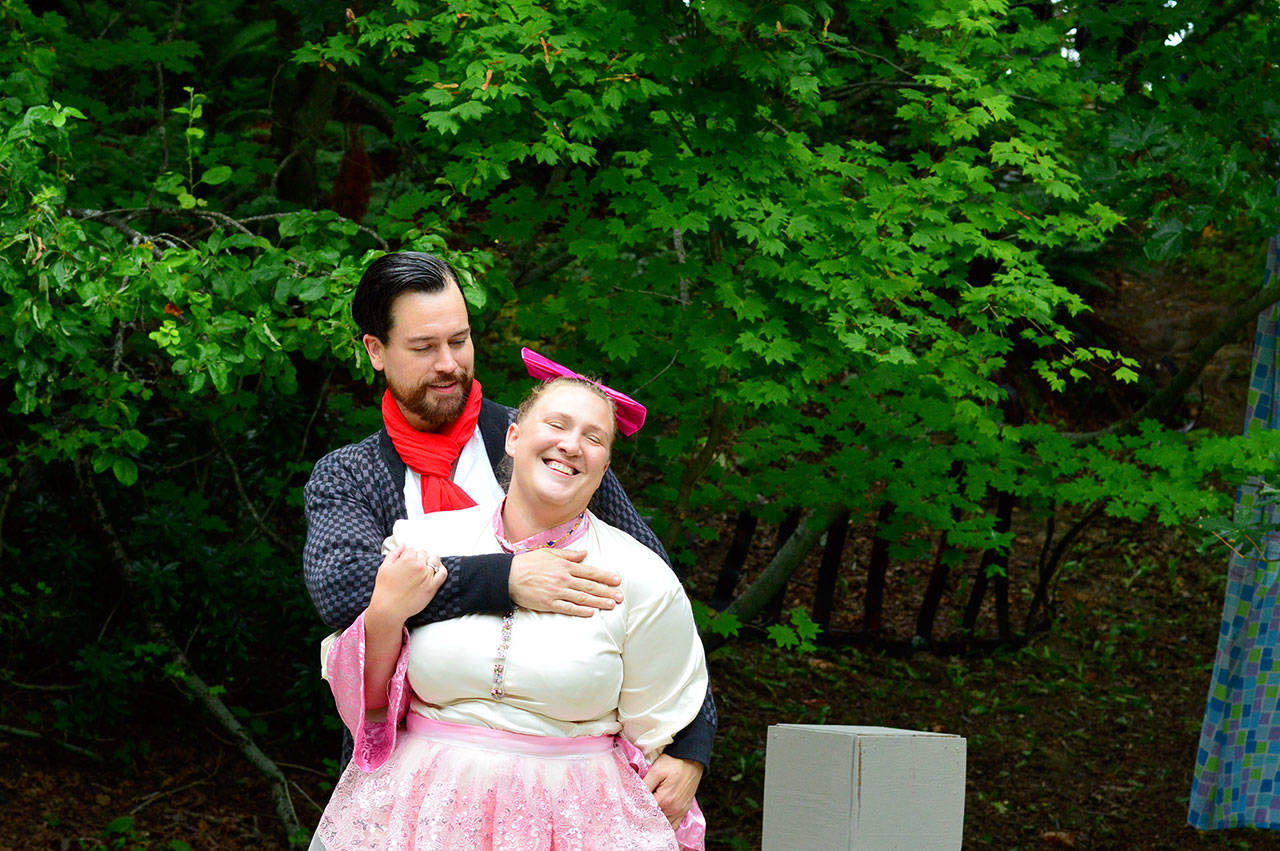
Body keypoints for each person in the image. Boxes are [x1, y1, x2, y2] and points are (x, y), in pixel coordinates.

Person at [303, 252, 714, 824]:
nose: (448, 364)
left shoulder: (547, 445)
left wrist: (692, 744)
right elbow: (347, 594)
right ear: (376, 351)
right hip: (410, 786)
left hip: (565, 789)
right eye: (424, 348)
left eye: (460, 341)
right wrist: (504, 578)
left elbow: (652, 592)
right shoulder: (350, 475)